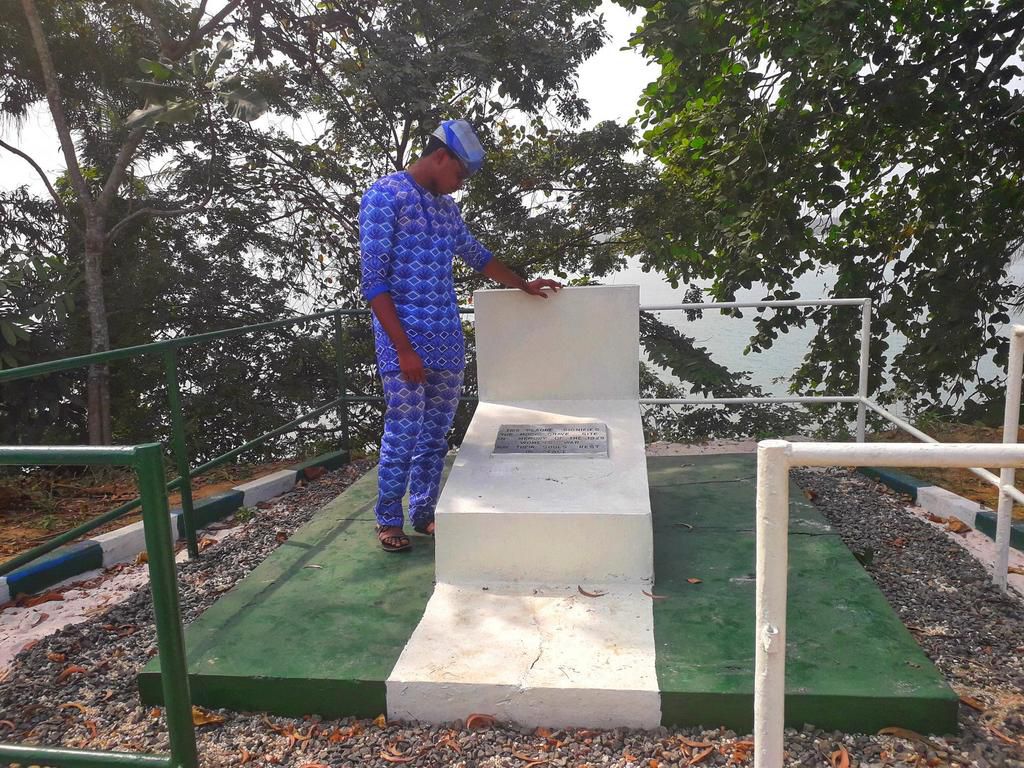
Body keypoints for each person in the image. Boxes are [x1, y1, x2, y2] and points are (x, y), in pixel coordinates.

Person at [359, 119, 561, 552]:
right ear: (440, 157)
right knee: (404, 429)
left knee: (435, 435)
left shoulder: (447, 210)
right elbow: (373, 282)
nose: (460, 183)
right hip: (403, 341)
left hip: (447, 339)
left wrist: (522, 284)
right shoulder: (385, 195)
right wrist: (403, 349)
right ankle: (389, 518)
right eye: (459, 173)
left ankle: (424, 513)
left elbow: (478, 257)